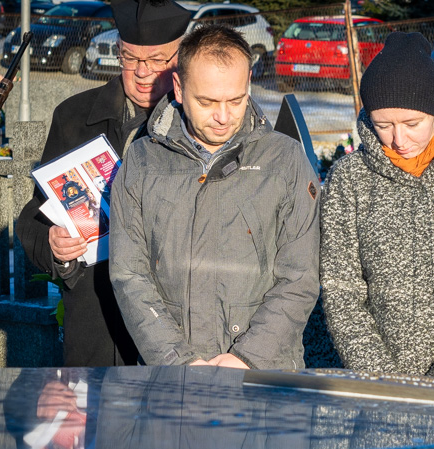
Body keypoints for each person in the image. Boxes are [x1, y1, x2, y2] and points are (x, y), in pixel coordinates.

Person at [109, 25, 319, 369]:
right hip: (170, 377)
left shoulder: (286, 160)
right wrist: (177, 359)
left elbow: (300, 277)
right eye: (206, 102)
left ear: (248, 82)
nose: (223, 117)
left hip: (263, 378)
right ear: (178, 88)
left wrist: (248, 357)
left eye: (235, 100)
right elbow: (129, 275)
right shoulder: (142, 160)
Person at [320, 32, 434, 378]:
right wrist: (379, 375)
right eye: (382, 125)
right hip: (375, 383)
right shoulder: (350, 179)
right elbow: (341, 287)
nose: (398, 139)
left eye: (412, 124)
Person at [15, 0, 193, 367]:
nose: (143, 73)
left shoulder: (200, 121)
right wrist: (53, 246)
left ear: (181, 58)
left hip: (178, 339)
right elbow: (34, 216)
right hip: (97, 332)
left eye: (158, 60)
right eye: (130, 59)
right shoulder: (74, 116)